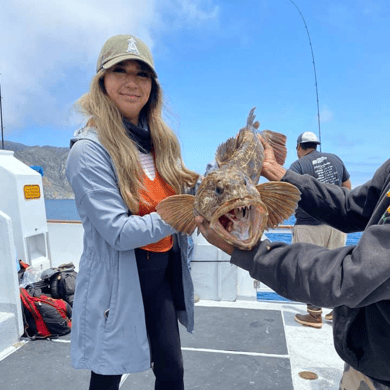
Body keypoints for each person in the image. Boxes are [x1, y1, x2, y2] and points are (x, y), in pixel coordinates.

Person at [195, 139, 390, 389]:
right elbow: (351, 206)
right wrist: (279, 172)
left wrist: (252, 254)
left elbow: (351, 276)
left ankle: (314, 315)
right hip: (372, 357)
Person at [65, 34, 199, 390]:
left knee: (172, 371)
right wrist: (187, 210)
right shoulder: (88, 151)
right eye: (119, 71)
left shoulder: (162, 144)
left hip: (162, 275)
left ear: (152, 87)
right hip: (120, 279)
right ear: (102, 82)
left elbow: (181, 199)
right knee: (109, 372)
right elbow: (119, 232)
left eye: (142, 74)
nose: (131, 82)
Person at [290, 131, 351, 328]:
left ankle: (315, 315)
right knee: (337, 268)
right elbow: (347, 188)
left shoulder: (297, 166)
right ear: (315, 145)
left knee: (309, 270)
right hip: (337, 225)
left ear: (299, 147)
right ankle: (339, 311)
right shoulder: (336, 159)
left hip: (309, 224)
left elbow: (289, 197)